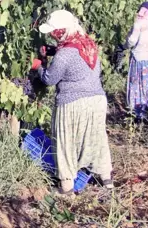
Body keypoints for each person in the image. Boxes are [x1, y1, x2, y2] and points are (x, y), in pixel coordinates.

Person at [32, 10, 113, 194]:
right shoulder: (88, 45)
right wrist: (54, 51)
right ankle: (106, 179)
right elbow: (76, 61)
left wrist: (38, 66)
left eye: (54, 32)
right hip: (97, 100)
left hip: (72, 103)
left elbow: (49, 79)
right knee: (97, 139)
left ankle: (66, 187)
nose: (52, 35)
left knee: (65, 142)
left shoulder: (65, 54)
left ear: (61, 31)